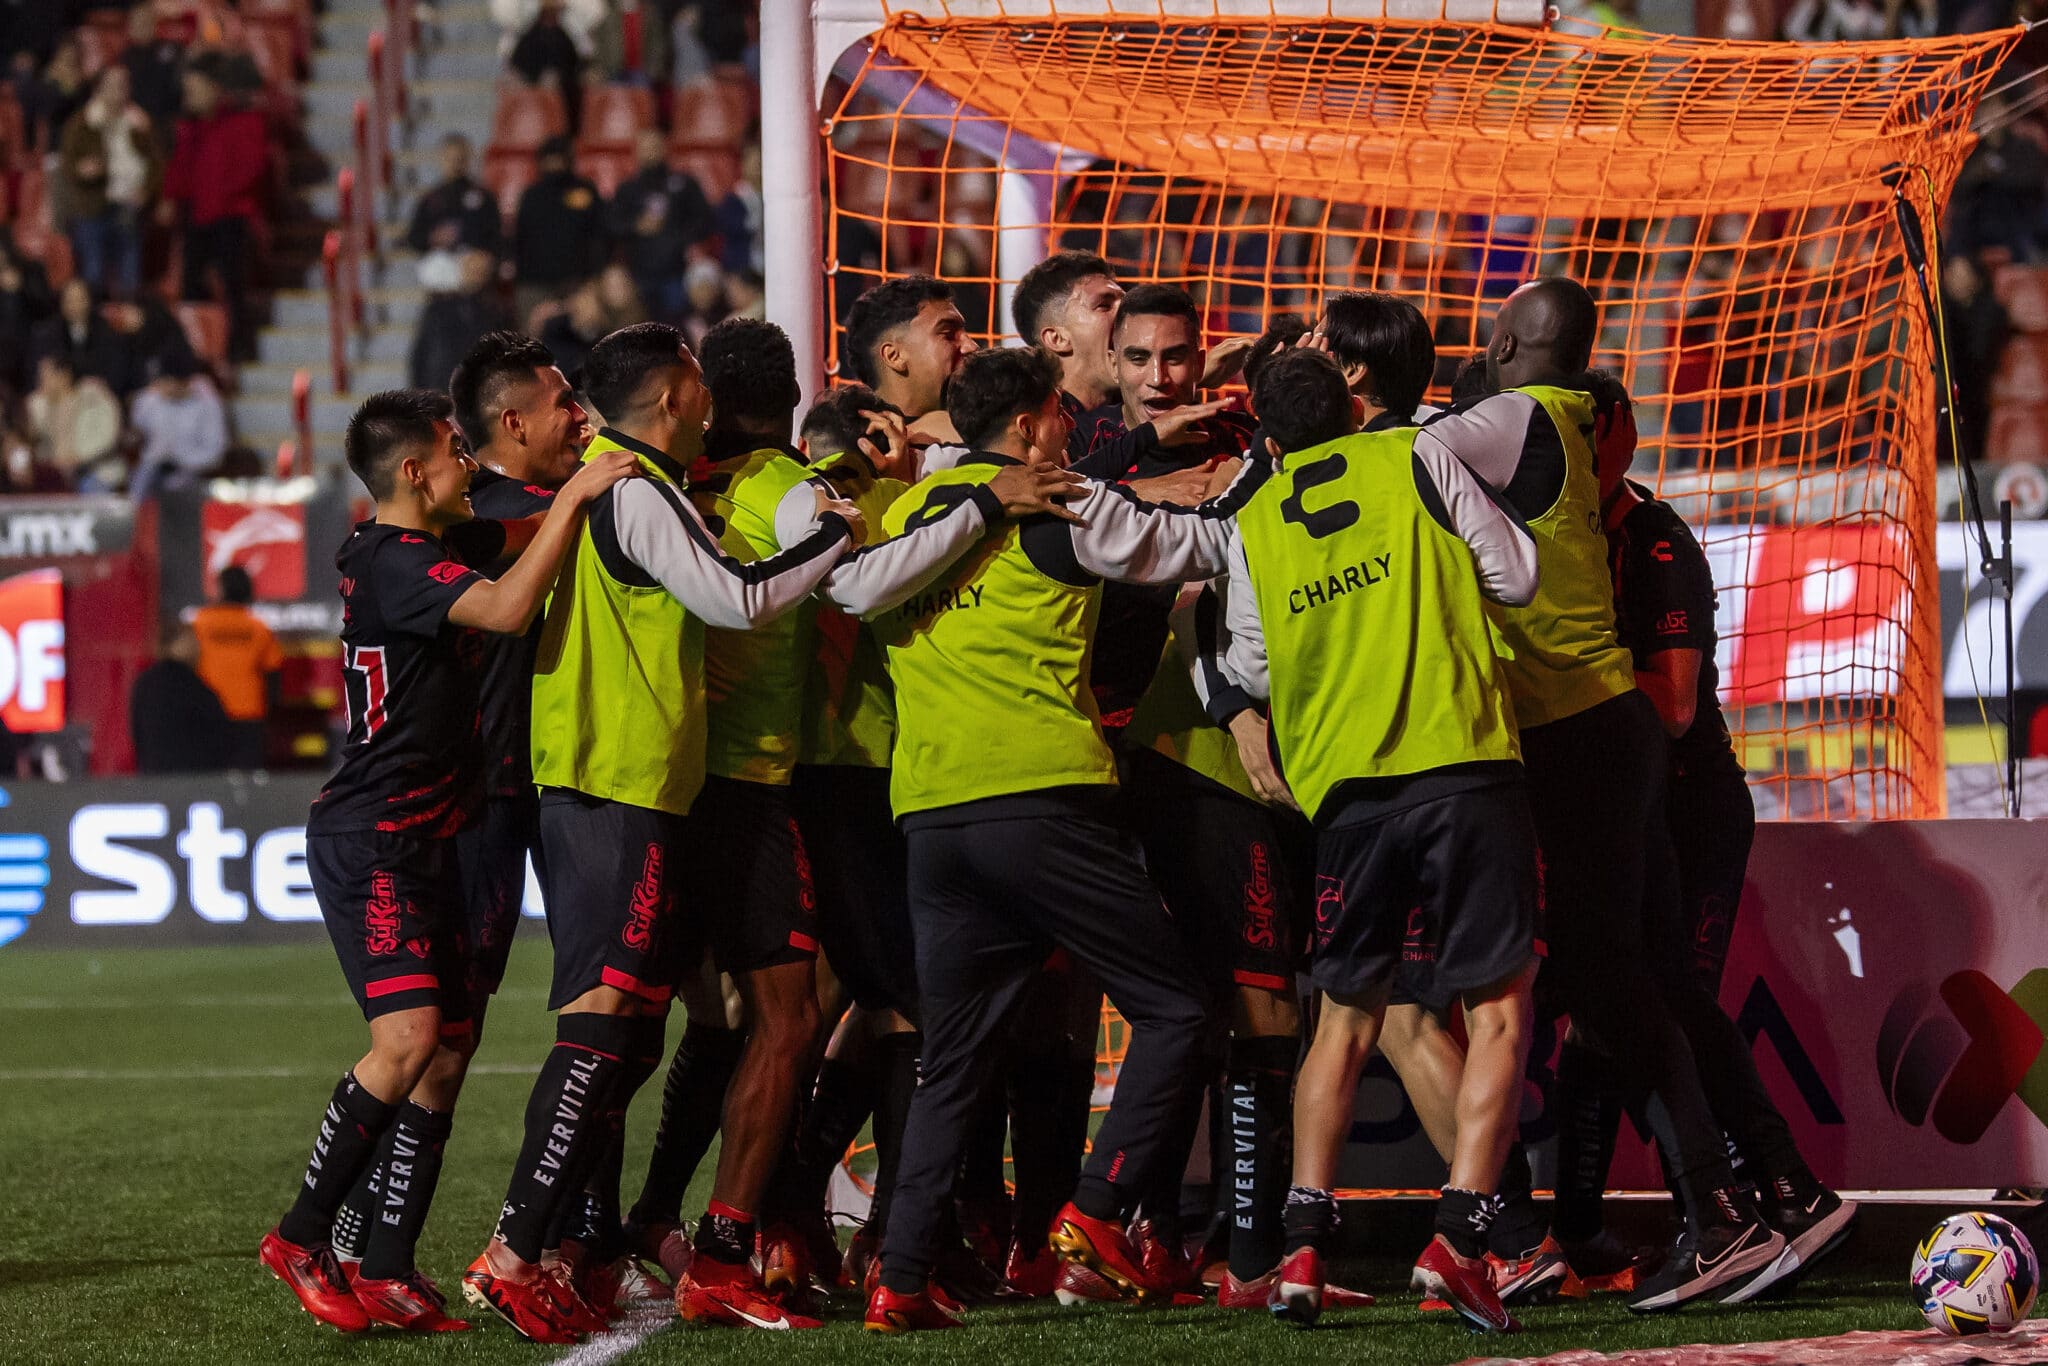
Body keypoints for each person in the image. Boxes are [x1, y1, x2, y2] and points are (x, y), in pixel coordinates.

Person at [621, 318, 1083, 1323]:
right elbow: (857, 581)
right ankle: (851, 1234)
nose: (960, 347)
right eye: (943, 333)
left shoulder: (682, 486)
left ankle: (669, 1219)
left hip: (708, 778)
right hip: (848, 771)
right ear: (877, 370)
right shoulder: (816, 488)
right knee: (894, 1009)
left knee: (746, 1012)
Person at [460, 323, 861, 1343]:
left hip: (634, 780)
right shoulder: (629, 487)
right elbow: (732, 599)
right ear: (683, 394)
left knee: (629, 1027)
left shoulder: (626, 483)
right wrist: (831, 533)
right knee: (605, 1025)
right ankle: (518, 1251)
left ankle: (565, 1247)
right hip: (613, 779)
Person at [861, 345, 1266, 1333]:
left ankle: (900, 1275)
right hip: (1038, 794)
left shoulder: (909, 513)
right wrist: (1264, 465)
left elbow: (857, 590)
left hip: (929, 813)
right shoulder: (1057, 502)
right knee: (1175, 1009)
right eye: (1060, 418)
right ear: (1036, 424)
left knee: (952, 1054)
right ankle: (1095, 1205)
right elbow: (1195, 548)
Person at [1414, 278, 1783, 1311]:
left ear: (1498, 342)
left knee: (1614, 984)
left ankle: (1720, 1214)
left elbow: (1403, 450)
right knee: (1614, 983)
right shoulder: (1558, 420)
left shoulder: (1520, 416)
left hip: (1580, 733)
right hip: (1588, 734)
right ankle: (1721, 1208)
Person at [258, 389, 639, 1336]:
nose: (471, 463)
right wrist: (587, 491)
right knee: (408, 1040)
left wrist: (615, 489)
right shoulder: (398, 563)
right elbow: (511, 609)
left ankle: (384, 1264)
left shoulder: (410, 549)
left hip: (430, 833)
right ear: (414, 472)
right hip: (375, 838)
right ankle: (303, 1235)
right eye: (455, 451)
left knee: (445, 1044)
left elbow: (520, 541)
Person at [1218, 347, 1539, 1334]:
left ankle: (1302, 1244)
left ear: (1267, 437)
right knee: (1494, 1013)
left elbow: (1246, 665)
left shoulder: (1251, 518)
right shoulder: (1414, 454)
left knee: (1343, 1022)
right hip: (1458, 762)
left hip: (1343, 792)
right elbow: (1515, 574)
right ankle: (1461, 1237)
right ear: (1353, 407)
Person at [1580, 370, 1857, 1300]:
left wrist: (1570, 665)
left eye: (1579, 427)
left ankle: (1780, 1196)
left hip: (1693, 811)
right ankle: (1587, 1230)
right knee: (1612, 1009)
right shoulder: (1577, 538)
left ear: (1613, 432)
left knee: (1673, 1006)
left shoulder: (1653, 540)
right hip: (1635, 814)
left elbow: (1673, 706)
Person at [161, 64, 268, 360]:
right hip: (199, 218)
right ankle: (198, 349)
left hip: (231, 217)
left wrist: (224, 194)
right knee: (190, 285)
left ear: (213, 89)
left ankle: (237, 346)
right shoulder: (190, 129)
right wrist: (170, 196)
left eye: (195, 89)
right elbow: (180, 171)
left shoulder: (243, 121)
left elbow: (253, 167)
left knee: (233, 284)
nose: (190, 97)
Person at [55, 66, 161, 301]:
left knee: (129, 274)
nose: (118, 91)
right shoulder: (83, 122)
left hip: (128, 206)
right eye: (112, 85)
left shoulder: (139, 122)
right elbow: (68, 164)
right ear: (99, 88)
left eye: (123, 85)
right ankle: (93, 327)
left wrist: (146, 191)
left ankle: (126, 329)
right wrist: (83, 170)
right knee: (93, 274)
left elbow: (156, 163)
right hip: (93, 206)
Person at [609, 128, 715, 323]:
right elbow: (612, 225)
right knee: (639, 330)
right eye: (645, 147)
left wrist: (679, 237)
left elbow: (705, 220)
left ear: (665, 148)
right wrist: (636, 225)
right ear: (636, 151)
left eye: (655, 146)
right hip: (638, 274)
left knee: (676, 330)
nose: (650, 152)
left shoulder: (684, 183)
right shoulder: (627, 188)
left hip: (677, 273)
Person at [190, 565, 284, 769]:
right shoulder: (259, 628)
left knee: (210, 779)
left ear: (221, 589)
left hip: (208, 713)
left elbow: (187, 670)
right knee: (248, 779)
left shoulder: (200, 623)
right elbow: (273, 674)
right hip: (249, 714)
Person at [513, 136, 608, 323]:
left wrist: (593, 279)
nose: (555, 165)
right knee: (533, 344)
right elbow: (519, 239)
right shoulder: (531, 195)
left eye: (559, 158)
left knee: (584, 337)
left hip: (578, 282)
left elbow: (600, 235)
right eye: (550, 159)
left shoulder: (585, 190)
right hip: (535, 284)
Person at [130, 625, 234, 774]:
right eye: (194, 641)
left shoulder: (145, 682)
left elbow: (137, 733)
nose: (199, 649)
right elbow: (218, 735)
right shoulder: (190, 685)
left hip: (153, 777)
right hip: (191, 780)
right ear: (178, 644)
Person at [409, 249, 514, 391]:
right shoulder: (438, 309)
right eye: (471, 271)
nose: (474, 277)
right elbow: (421, 354)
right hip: (443, 388)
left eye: (479, 272)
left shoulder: (497, 313)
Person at [130, 351, 230, 496]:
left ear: (181, 381)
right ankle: (136, 517)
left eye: (165, 381)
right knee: (142, 481)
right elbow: (136, 428)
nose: (159, 387)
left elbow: (215, 451)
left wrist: (180, 458)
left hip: (192, 469)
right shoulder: (150, 399)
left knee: (176, 485)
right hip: (153, 466)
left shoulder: (207, 403)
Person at [405, 133, 504, 260]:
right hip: (438, 260)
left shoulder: (484, 198)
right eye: (450, 159)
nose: (455, 164)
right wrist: (433, 238)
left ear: (468, 159)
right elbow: (414, 238)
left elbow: (494, 238)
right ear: (441, 159)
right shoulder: (429, 199)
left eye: (460, 159)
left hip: (473, 260)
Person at [32, 278, 128, 396]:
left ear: (89, 301)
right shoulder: (47, 333)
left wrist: (100, 384)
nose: (74, 306)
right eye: (69, 300)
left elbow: (116, 371)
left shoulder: (105, 332)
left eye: (79, 299)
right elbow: (39, 372)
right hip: (57, 395)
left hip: (94, 396)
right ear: (61, 303)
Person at [510, 0, 585, 137]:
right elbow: (518, 65)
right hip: (532, 95)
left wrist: (558, 78)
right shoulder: (530, 36)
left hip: (563, 96)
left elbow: (574, 65)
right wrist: (534, 81)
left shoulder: (564, 36)